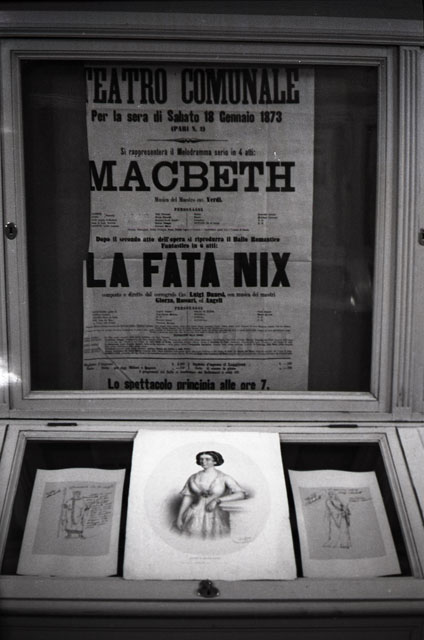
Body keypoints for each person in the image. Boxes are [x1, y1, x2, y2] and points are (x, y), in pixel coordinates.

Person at [175, 450, 247, 538]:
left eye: (207, 459)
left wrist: (217, 500)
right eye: (201, 459)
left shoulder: (224, 477)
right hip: (194, 514)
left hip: (216, 516)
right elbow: (188, 497)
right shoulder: (193, 477)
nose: (203, 461)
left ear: (215, 461)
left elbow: (241, 495)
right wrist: (179, 517)